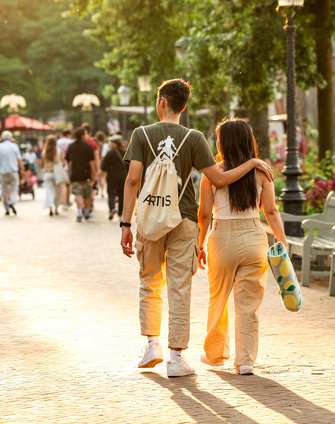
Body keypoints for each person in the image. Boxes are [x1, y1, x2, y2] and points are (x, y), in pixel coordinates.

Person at [120, 79, 274, 378]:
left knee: (150, 280)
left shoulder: (141, 134)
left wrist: (126, 223)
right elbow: (219, 178)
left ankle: (152, 344)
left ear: (161, 102)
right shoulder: (194, 138)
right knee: (180, 285)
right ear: (184, 105)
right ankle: (176, 358)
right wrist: (253, 161)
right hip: (184, 218)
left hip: (150, 218)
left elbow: (132, 181)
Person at [197, 118, 287, 375]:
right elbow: (270, 211)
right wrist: (282, 241)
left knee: (218, 298)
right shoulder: (262, 172)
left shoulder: (212, 174)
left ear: (223, 144)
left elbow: (204, 215)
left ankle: (215, 355)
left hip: (221, 239)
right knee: (248, 304)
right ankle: (245, 361)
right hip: (253, 238)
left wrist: (200, 245)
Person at [66, 127, 96, 223]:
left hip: (75, 174)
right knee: (87, 194)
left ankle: (79, 212)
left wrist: (70, 170)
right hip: (86, 174)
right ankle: (86, 212)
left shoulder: (71, 146)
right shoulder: (87, 147)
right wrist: (94, 173)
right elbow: (91, 162)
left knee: (78, 194)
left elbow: (68, 161)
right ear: (82, 135)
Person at [0, 130, 24, 215]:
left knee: (4, 191)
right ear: (10, 138)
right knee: (14, 188)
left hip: (3, 172)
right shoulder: (14, 146)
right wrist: (22, 170)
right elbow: (19, 160)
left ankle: (6, 208)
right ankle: (12, 201)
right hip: (13, 171)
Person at [100, 134, 127, 221]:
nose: (110, 144)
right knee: (122, 194)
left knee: (111, 193)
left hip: (112, 175)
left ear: (116, 143)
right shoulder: (126, 153)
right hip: (123, 175)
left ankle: (112, 209)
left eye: (111, 143)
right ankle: (120, 214)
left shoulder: (110, 153)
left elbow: (104, 167)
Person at [40, 135, 66, 216]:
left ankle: (50, 207)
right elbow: (64, 163)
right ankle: (56, 208)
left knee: (49, 191)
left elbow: (42, 164)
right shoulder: (58, 152)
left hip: (47, 173)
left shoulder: (44, 153)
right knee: (57, 192)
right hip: (56, 174)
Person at [57, 130, 74, 208]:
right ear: (68, 135)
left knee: (61, 184)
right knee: (68, 185)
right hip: (68, 166)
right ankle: (66, 201)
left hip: (59, 166)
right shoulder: (71, 142)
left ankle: (62, 201)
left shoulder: (58, 142)